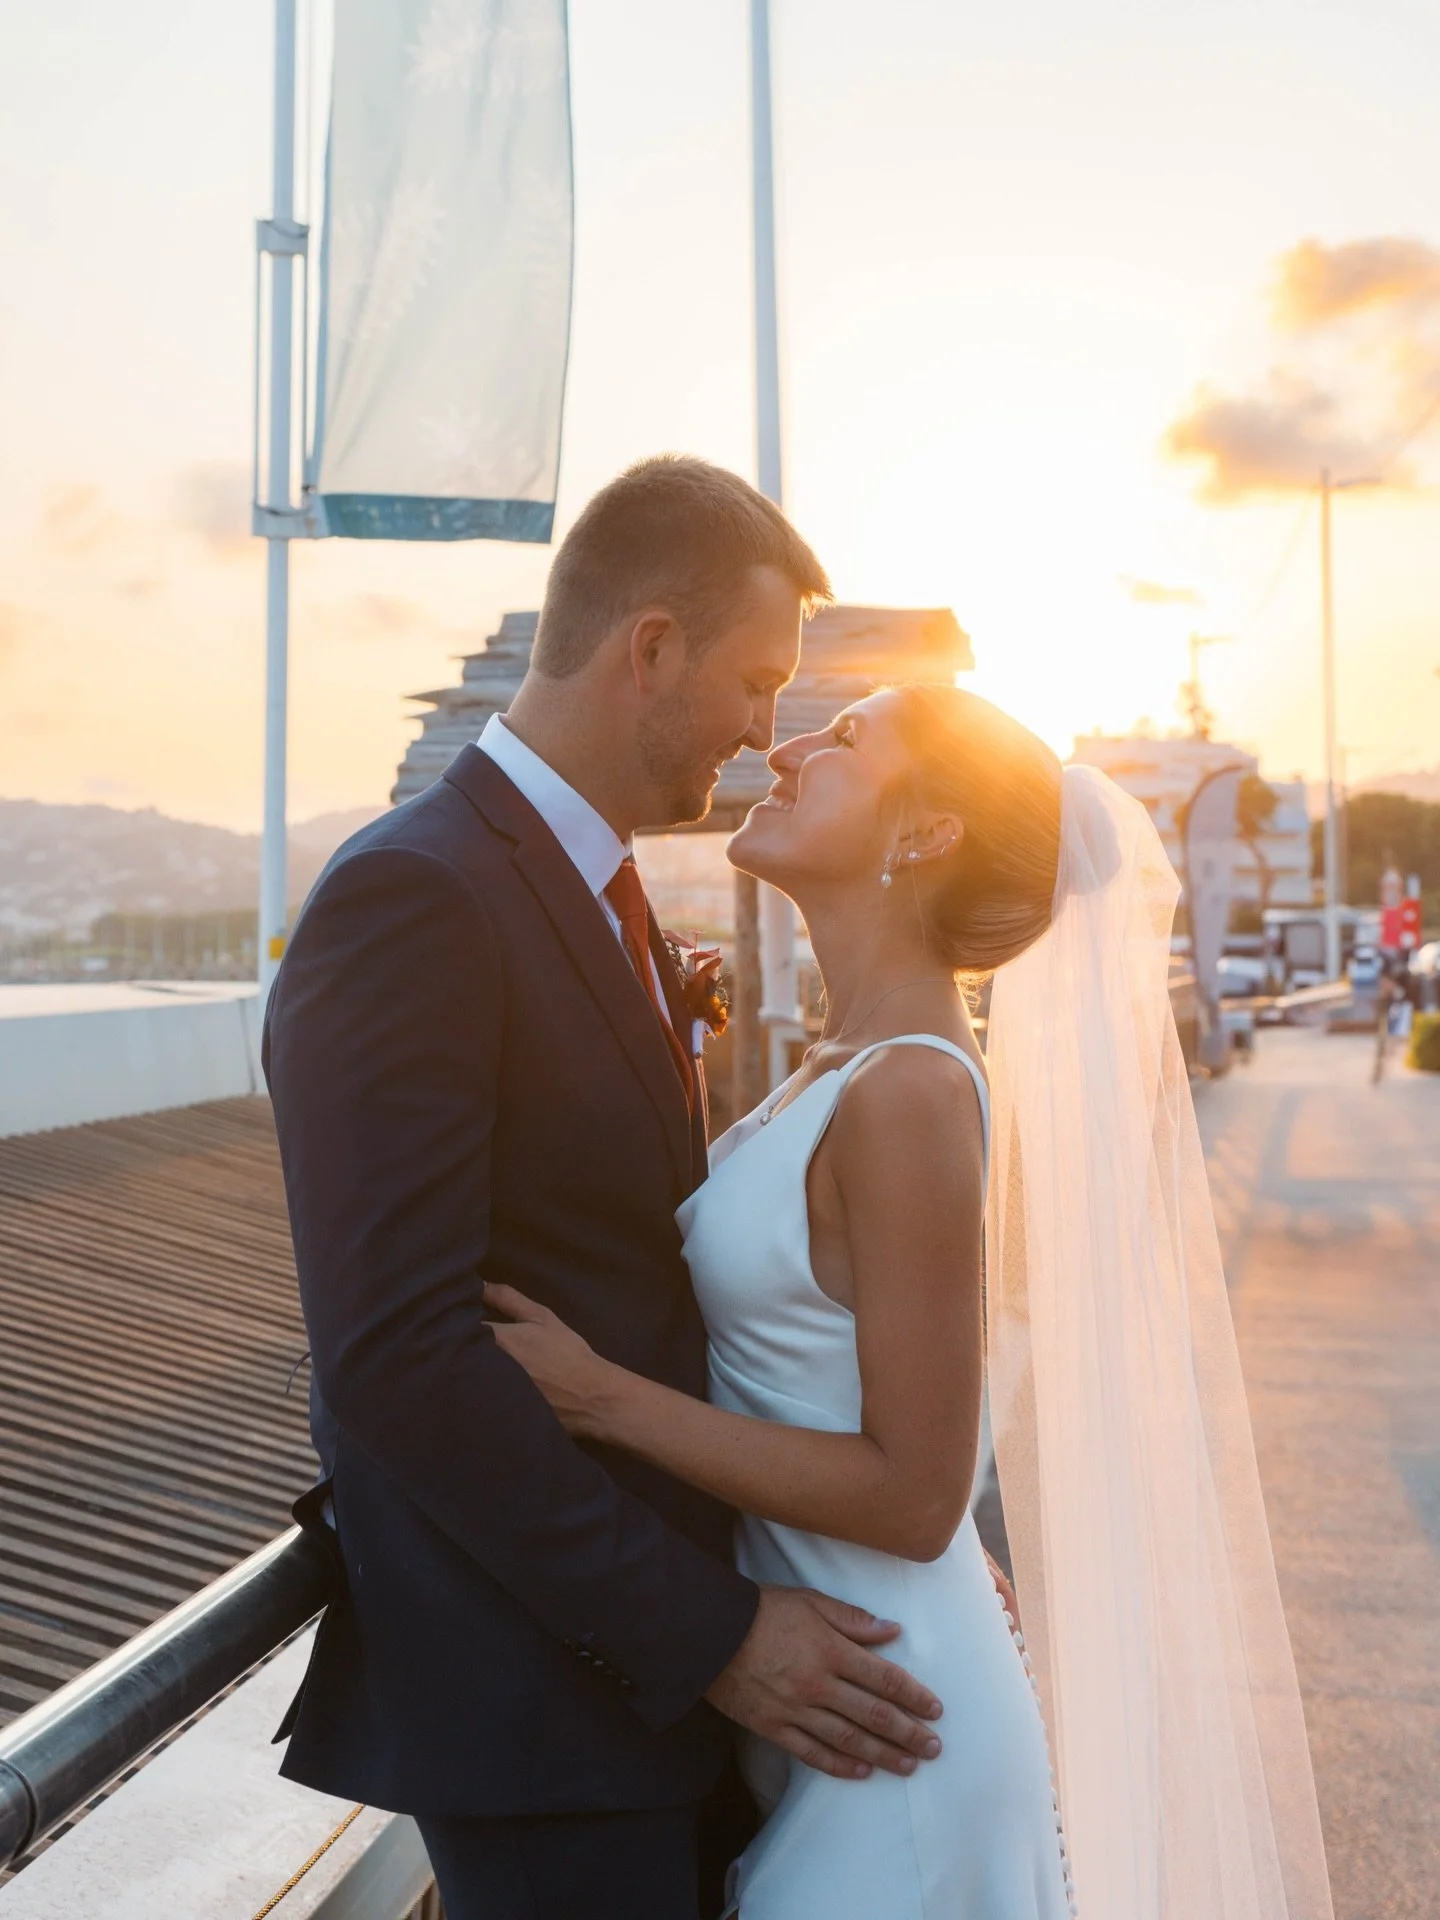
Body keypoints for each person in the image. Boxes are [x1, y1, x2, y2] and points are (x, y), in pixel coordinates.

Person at [489, 684, 1337, 1919]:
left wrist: (596, 1398)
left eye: (843, 738)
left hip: (889, 1728)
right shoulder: (846, 1069)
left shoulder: (914, 1095)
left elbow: (918, 1491)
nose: (782, 744)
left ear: (926, 833)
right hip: (842, 1697)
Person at [262, 456, 957, 1920]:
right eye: (758, 683)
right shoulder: (418, 897)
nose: (764, 735)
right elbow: (396, 1358)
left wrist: (891, 1577)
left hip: (683, 1710)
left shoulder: (606, 897)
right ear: (651, 650)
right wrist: (709, 1634)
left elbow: (660, 1299)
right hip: (549, 1721)